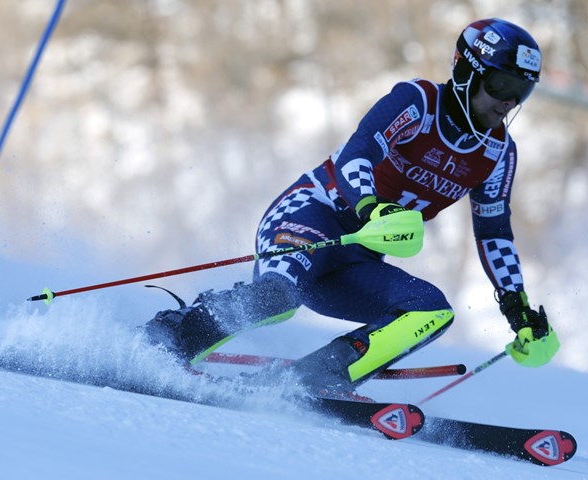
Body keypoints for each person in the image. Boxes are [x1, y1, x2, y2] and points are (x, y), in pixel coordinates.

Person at [145, 17, 560, 397]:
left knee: (431, 311)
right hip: (311, 215)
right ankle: (168, 339)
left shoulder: (498, 153)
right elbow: (357, 153)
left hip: (354, 258)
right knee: (278, 298)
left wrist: (516, 305)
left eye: (521, 91)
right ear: (467, 73)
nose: (508, 102)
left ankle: (312, 380)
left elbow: (494, 233)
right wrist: (369, 207)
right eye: (501, 86)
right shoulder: (418, 102)